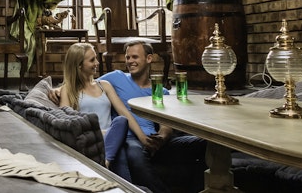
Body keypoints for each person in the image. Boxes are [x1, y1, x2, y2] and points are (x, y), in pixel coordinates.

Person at [51, 41, 206, 193]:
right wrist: (60, 89)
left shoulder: (158, 89)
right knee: (132, 152)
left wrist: (160, 137)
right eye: (127, 57)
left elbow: (162, 122)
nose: (130, 61)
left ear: (149, 58)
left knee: (206, 144)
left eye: (135, 57)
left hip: (145, 137)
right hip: (122, 138)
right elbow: (75, 94)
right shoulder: (116, 78)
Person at [58, 42, 149, 181]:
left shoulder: (104, 85)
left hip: (113, 137)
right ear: (79, 65)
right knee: (118, 144)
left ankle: (106, 163)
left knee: (121, 121)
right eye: (92, 60)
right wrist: (100, 133)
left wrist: (143, 138)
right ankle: (107, 165)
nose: (97, 63)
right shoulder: (68, 90)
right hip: (90, 138)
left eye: (96, 58)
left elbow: (124, 112)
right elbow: (65, 121)